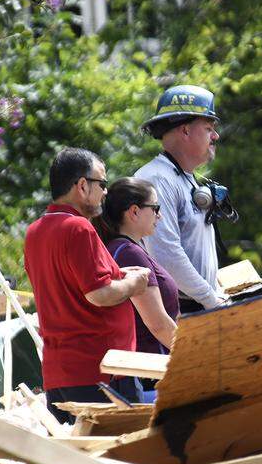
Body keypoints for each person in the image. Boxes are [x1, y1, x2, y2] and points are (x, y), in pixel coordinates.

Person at [23, 147, 150, 423]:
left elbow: (71, 283)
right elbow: (99, 294)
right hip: (101, 373)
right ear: (82, 186)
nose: (105, 192)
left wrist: (118, 275)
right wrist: (134, 283)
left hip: (60, 373)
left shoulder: (35, 232)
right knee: (124, 460)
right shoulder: (78, 228)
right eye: (102, 184)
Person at [134, 84, 228, 313]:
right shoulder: (157, 179)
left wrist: (213, 294)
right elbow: (166, 253)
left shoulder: (183, 178)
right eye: (208, 128)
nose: (215, 135)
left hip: (197, 307)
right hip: (177, 313)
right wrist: (210, 299)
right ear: (185, 131)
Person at [94, 177, 180, 402]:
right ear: (134, 212)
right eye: (155, 208)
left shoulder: (122, 249)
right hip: (152, 373)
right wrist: (194, 356)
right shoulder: (129, 253)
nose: (159, 216)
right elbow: (158, 324)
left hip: (144, 372)